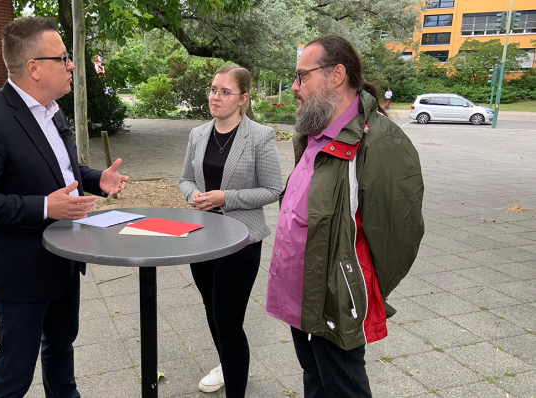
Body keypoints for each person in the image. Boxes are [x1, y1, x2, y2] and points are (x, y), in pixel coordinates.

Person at [0, 17, 128, 398]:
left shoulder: (52, 110)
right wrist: (45, 207)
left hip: (65, 259)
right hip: (20, 269)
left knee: (61, 351)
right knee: (14, 374)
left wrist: (97, 178)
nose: (71, 66)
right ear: (34, 68)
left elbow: (63, 170)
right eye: (63, 58)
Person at [265, 35, 424, 397]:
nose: (294, 87)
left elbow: (399, 233)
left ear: (336, 74)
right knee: (315, 380)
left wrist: (354, 282)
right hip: (300, 291)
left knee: (343, 388)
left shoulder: (379, 143)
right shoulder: (311, 134)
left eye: (302, 76)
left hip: (335, 296)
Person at [180, 64, 283, 396]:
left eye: (225, 91)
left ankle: (235, 385)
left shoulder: (260, 136)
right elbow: (185, 178)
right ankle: (228, 364)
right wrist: (192, 194)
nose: (216, 96)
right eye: (213, 89)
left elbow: (272, 189)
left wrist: (228, 197)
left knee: (228, 321)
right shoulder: (197, 134)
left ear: (243, 98)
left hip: (241, 239)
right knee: (213, 311)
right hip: (202, 237)